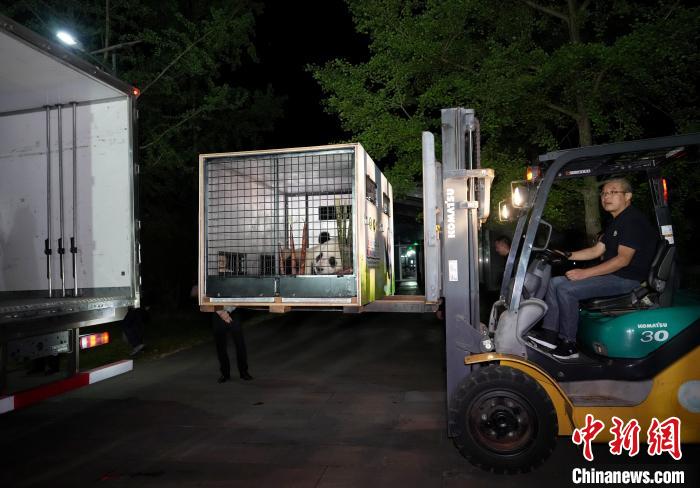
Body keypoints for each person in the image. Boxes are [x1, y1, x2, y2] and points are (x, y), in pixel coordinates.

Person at [527, 178, 656, 359]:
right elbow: (597, 250)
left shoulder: (632, 221)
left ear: (628, 196)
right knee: (554, 282)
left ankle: (569, 344)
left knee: (566, 289)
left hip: (627, 280)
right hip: (614, 275)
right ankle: (550, 335)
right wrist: (566, 255)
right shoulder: (616, 221)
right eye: (603, 193)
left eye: (613, 192)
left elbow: (622, 260)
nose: (606, 197)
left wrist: (585, 273)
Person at [212, 307, 253, 383]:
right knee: (221, 346)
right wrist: (221, 312)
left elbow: (238, 299)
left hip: (233, 312)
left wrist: (227, 312)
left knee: (240, 344)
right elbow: (208, 300)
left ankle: (244, 372)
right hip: (217, 312)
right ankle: (225, 374)